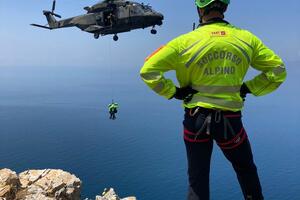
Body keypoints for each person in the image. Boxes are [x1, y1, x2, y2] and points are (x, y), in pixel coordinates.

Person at [140, 0, 287, 199]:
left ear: (199, 8)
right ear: (225, 8)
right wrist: (249, 87)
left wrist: (174, 92)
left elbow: (148, 71)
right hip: (231, 122)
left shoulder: (184, 41)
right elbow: (278, 70)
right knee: (246, 170)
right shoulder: (246, 39)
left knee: (197, 179)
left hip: (196, 119)